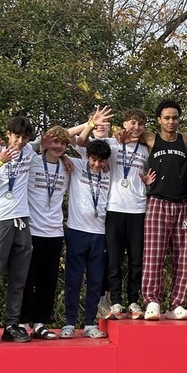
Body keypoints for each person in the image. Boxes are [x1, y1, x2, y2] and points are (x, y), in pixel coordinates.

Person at [0, 116, 38, 344]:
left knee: (19, 278)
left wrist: (89, 124)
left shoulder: (29, 152)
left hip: (21, 220)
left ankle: (12, 325)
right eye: (16, 136)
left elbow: (59, 138)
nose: (20, 141)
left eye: (24, 137)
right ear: (8, 134)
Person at [140, 99, 187, 320]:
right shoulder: (152, 138)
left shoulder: (185, 139)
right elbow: (129, 131)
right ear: (159, 120)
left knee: (183, 257)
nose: (171, 121)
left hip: (183, 204)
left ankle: (177, 304)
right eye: (167, 118)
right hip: (158, 202)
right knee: (154, 255)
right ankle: (152, 301)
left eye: (174, 117)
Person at [62, 109, 112, 338]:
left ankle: (90, 323)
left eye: (101, 161)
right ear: (86, 156)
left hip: (99, 233)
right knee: (73, 280)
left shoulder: (109, 172)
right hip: (76, 231)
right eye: (93, 160)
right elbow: (59, 136)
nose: (97, 164)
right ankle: (69, 323)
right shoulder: (76, 164)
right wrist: (90, 123)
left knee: (94, 282)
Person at [18, 125, 72, 340]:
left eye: (63, 143)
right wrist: (41, 142)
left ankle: (40, 323)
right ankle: (21, 322)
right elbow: (23, 148)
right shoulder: (32, 160)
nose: (58, 146)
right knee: (26, 279)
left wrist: (66, 156)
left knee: (47, 280)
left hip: (55, 231)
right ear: (46, 142)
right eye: (55, 141)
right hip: (31, 229)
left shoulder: (67, 167)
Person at [103, 108, 151, 321]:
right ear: (124, 124)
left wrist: (149, 183)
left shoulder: (145, 150)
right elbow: (83, 145)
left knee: (136, 260)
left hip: (138, 209)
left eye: (140, 124)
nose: (136, 127)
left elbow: (150, 174)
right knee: (114, 259)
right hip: (114, 208)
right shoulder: (112, 145)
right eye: (132, 123)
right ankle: (115, 301)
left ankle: (133, 300)